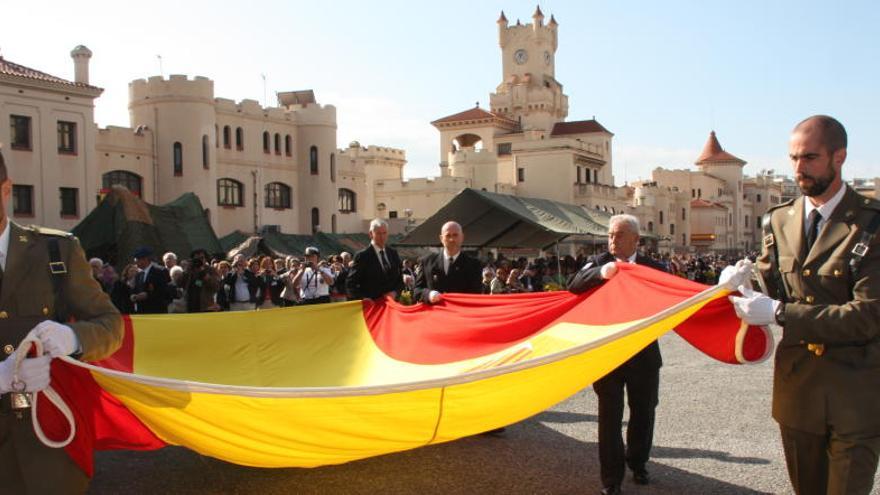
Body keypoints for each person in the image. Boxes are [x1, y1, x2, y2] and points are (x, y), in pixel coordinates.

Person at [730, 115, 880, 495]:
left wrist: (781, 314)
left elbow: (867, 317)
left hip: (856, 395)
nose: (799, 168)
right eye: (794, 158)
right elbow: (772, 291)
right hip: (798, 394)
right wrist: (736, 288)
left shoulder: (871, 224)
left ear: (839, 157)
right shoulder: (778, 221)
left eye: (810, 157)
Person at [0, 149, 123, 493]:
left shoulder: (56, 250)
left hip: (48, 444)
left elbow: (111, 325)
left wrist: (73, 338)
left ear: (6, 189)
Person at [567, 214, 666, 495]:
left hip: (643, 354)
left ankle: (638, 462)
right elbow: (574, 284)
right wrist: (601, 273)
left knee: (643, 412)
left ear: (636, 239)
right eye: (610, 235)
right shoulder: (599, 263)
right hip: (608, 354)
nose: (613, 240)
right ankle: (611, 480)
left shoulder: (653, 267)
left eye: (619, 235)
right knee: (609, 417)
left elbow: (676, 294)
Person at [414, 221, 482, 304]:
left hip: (459, 313)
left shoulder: (474, 265)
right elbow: (417, 290)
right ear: (441, 238)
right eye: (448, 235)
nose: (452, 239)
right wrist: (428, 294)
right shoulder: (427, 262)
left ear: (462, 237)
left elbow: (476, 294)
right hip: (435, 313)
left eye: (455, 235)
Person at [346, 219, 403, 301]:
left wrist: (395, 292)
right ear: (371, 234)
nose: (382, 237)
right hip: (372, 306)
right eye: (379, 233)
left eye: (384, 233)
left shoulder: (393, 253)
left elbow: (399, 280)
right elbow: (350, 283)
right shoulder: (362, 256)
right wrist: (362, 298)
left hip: (392, 305)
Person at [130, 247, 171, 314]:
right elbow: (135, 290)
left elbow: (165, 292)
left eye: (138, 259)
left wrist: (148, 295)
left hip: (156, 312)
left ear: (145, 259)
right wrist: (133, 296)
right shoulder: (138, 274)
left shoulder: (160, 271)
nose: (135, 261)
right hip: (141, 312)